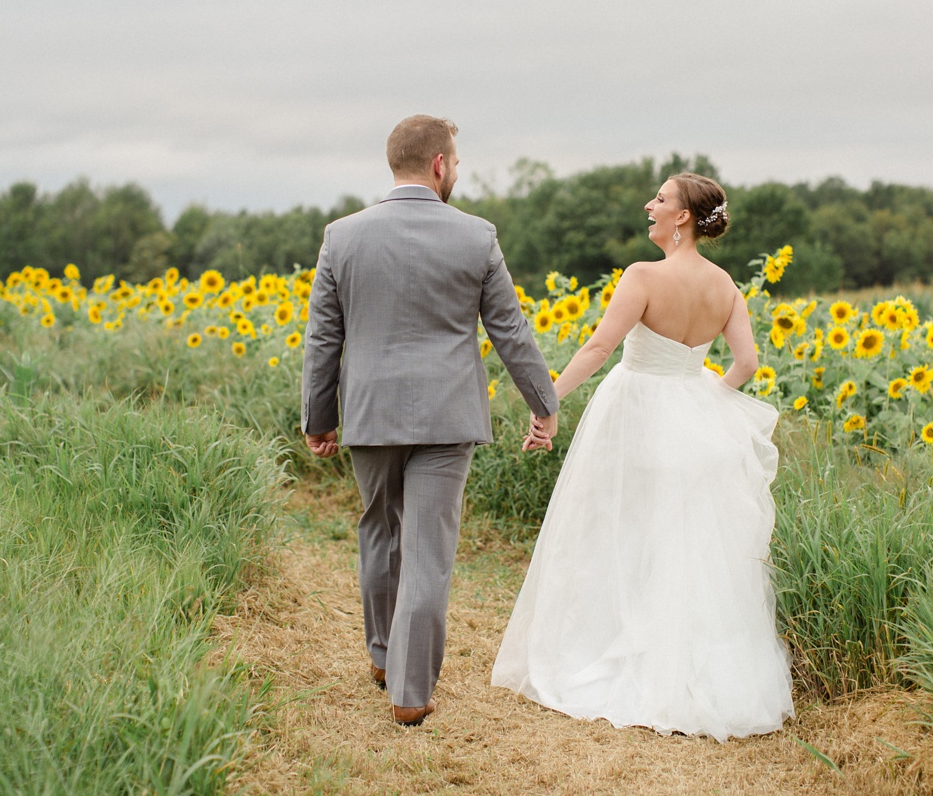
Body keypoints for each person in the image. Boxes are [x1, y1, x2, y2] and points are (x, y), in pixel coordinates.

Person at [491, 171, 795, 741]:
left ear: (682, 217)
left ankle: (617, 648)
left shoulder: (643, 276)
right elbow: (747, 363)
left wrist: (548, 401)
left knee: (618, 528)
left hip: (633, 411)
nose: (648, 205)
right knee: (678, 540)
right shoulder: (726, 285)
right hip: (691, 411)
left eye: (660, 199)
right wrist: (708, 395)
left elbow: (600, 346)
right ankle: (680, 662)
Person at [302, 114, 559, 727]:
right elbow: (511, 334)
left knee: (379, 532)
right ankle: (411, 693)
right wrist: (543, 404)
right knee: (428, 551)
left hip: (369, 414)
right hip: (447, 418)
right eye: (458, 163)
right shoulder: (477, 237)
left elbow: (322, 340)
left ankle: (383, 658)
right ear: (440, 164)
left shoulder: (342, 237)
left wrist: (318, 417)